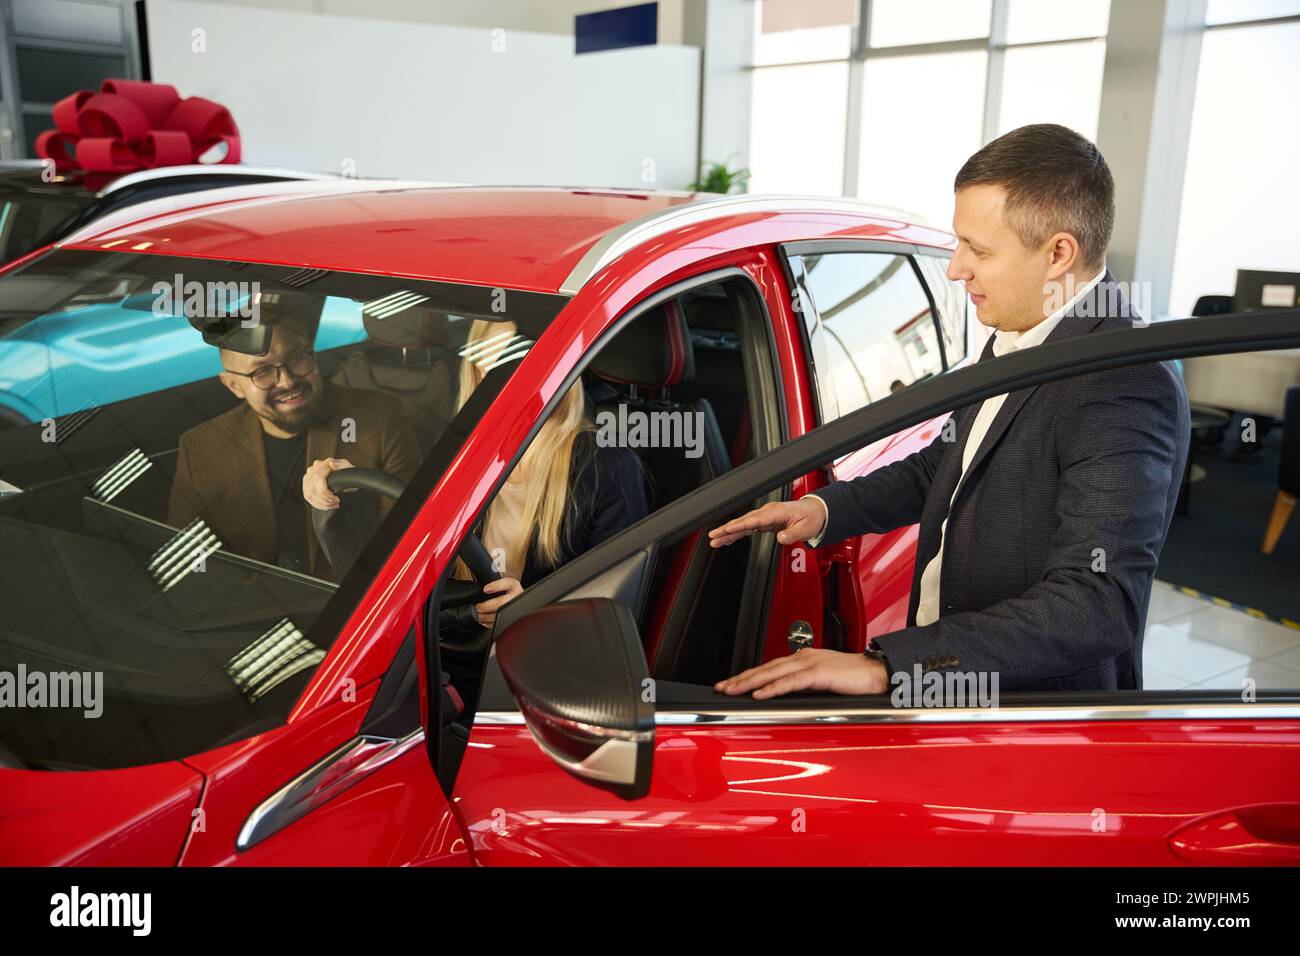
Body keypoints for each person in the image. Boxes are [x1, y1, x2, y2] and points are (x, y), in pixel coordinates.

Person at [708, 123, 1190, 699]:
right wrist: (824, 509)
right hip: (959, 687)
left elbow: (1096, 604)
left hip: (1023, 713)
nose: (957, 268)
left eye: (978, 250)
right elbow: (949, 463)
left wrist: (893, 666)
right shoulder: (1024, 326)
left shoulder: (1119, 379)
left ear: (1059, 253)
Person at [169, 303, 421, 578]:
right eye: (262, 372)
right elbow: (186, 561)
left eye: (297, 358)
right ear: (233, 386)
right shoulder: (201, 447)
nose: (287, 381)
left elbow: (410, 537)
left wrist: (353, 498)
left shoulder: (378, 417)